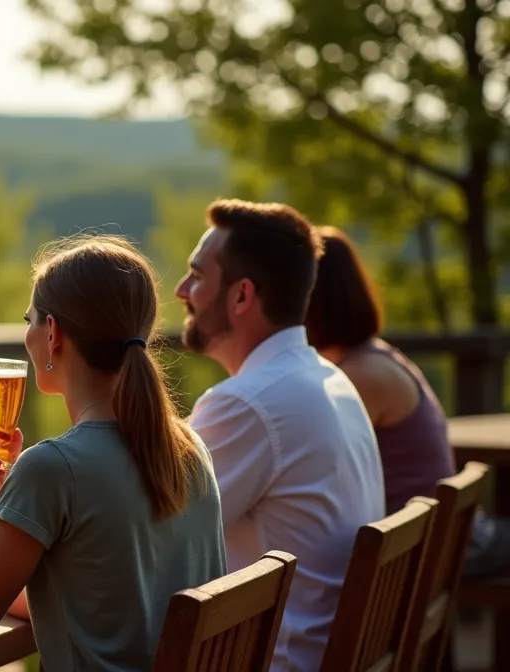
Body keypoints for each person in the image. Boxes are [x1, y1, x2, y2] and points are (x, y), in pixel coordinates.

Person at [0, 235, 227, 670]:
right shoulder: (190, 449)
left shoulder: (54, 468)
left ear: (53, 333)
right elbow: (90, 600)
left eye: (30, 320)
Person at [176, 199, 385, 671]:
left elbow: (149, 540)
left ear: (241, 296)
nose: (181, 290)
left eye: (197, 276)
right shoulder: (331, 380)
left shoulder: (248, 404)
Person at [304, 226, 510, 578]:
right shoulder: (371, 358)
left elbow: (313, 472)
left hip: (433, 551)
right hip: (445, 536)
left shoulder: (360, 377)